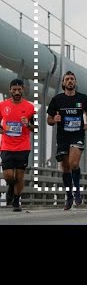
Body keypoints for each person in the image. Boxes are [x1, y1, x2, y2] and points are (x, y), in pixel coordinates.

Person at [46, 71, 87, 210]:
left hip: (77, 135)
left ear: (75, 82)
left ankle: (77, 190)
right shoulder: (57, 100)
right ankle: (69, 195)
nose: (70, 81)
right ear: (63, 83)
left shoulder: (82, 98)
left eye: (72, 79)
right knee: (65, 167)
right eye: (67, 79)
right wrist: (53, 120)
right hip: (62, 137)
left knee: (73, 163)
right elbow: (49, 119)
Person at [0, 79, 36, 212]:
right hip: (7, 146)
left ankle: (16, 200)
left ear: (23, 90)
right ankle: (10, 186)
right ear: (10, 90)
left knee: (20, 176)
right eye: (14, 90)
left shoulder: (30, 107)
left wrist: (28, 124)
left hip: (23, 146)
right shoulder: (2, 105)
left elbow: (36, 127)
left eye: (19, 90)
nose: (16, 92)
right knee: (9, 176)